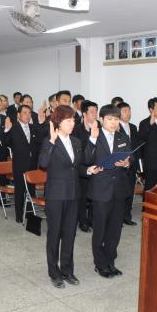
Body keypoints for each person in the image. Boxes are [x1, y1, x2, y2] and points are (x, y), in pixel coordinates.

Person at [38, 105, 97, 288]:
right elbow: (43, 163)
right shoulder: (50, 141)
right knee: (54, 234)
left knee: (70, 234)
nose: (72, 124)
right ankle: (54, 272)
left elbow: (77, 166)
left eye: (73, 120)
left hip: (73, 194)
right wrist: (51, 141)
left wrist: (88, 170)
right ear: (58, 122)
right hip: (56, 195)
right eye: (68, 120)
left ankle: (67, 270)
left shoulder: (76, 141)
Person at [85, 105, 131, 278]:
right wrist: (92, 139)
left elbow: (131, 156)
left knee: (115, 229)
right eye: (110, 119)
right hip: (101, 189)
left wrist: (126, 163)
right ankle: (100, 264)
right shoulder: (94, 136)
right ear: (102, 119)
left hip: (119, 189)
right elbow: (86, 159)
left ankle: (110, 261)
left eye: (116, 119)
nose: (113, 123)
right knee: (100, 229)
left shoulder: (122, 137)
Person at [1, 105, 39, 223]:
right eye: (25, 112)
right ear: (18, 114)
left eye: (29, 113)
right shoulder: (14, 128)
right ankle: (19, 214)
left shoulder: (33, 128)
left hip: (32, 164)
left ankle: (29, 213)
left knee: (31, 189)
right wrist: (6, 130)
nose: (28, 115)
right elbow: (5, 142)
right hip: (19, 165)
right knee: (20, 190)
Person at [74, 100, 100, 233]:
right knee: (83, 197)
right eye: (92, 112)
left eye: (96, 111)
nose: (95, 114)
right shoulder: (77, 130)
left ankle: (92, 220)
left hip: (97, 167)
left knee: (95, 195)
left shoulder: (100, 127)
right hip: (82, 168)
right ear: (84, 114)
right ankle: (82, 221)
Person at [117, 101, 139, 226]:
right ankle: (118, 218)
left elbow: (136, 146)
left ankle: (127, 216)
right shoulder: (115, 127)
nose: (128, 113)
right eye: (125, 111)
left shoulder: (133, 127)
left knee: (130, 192)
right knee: (120, 193)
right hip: (120, 165)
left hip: (132, 164)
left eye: (129, 110)